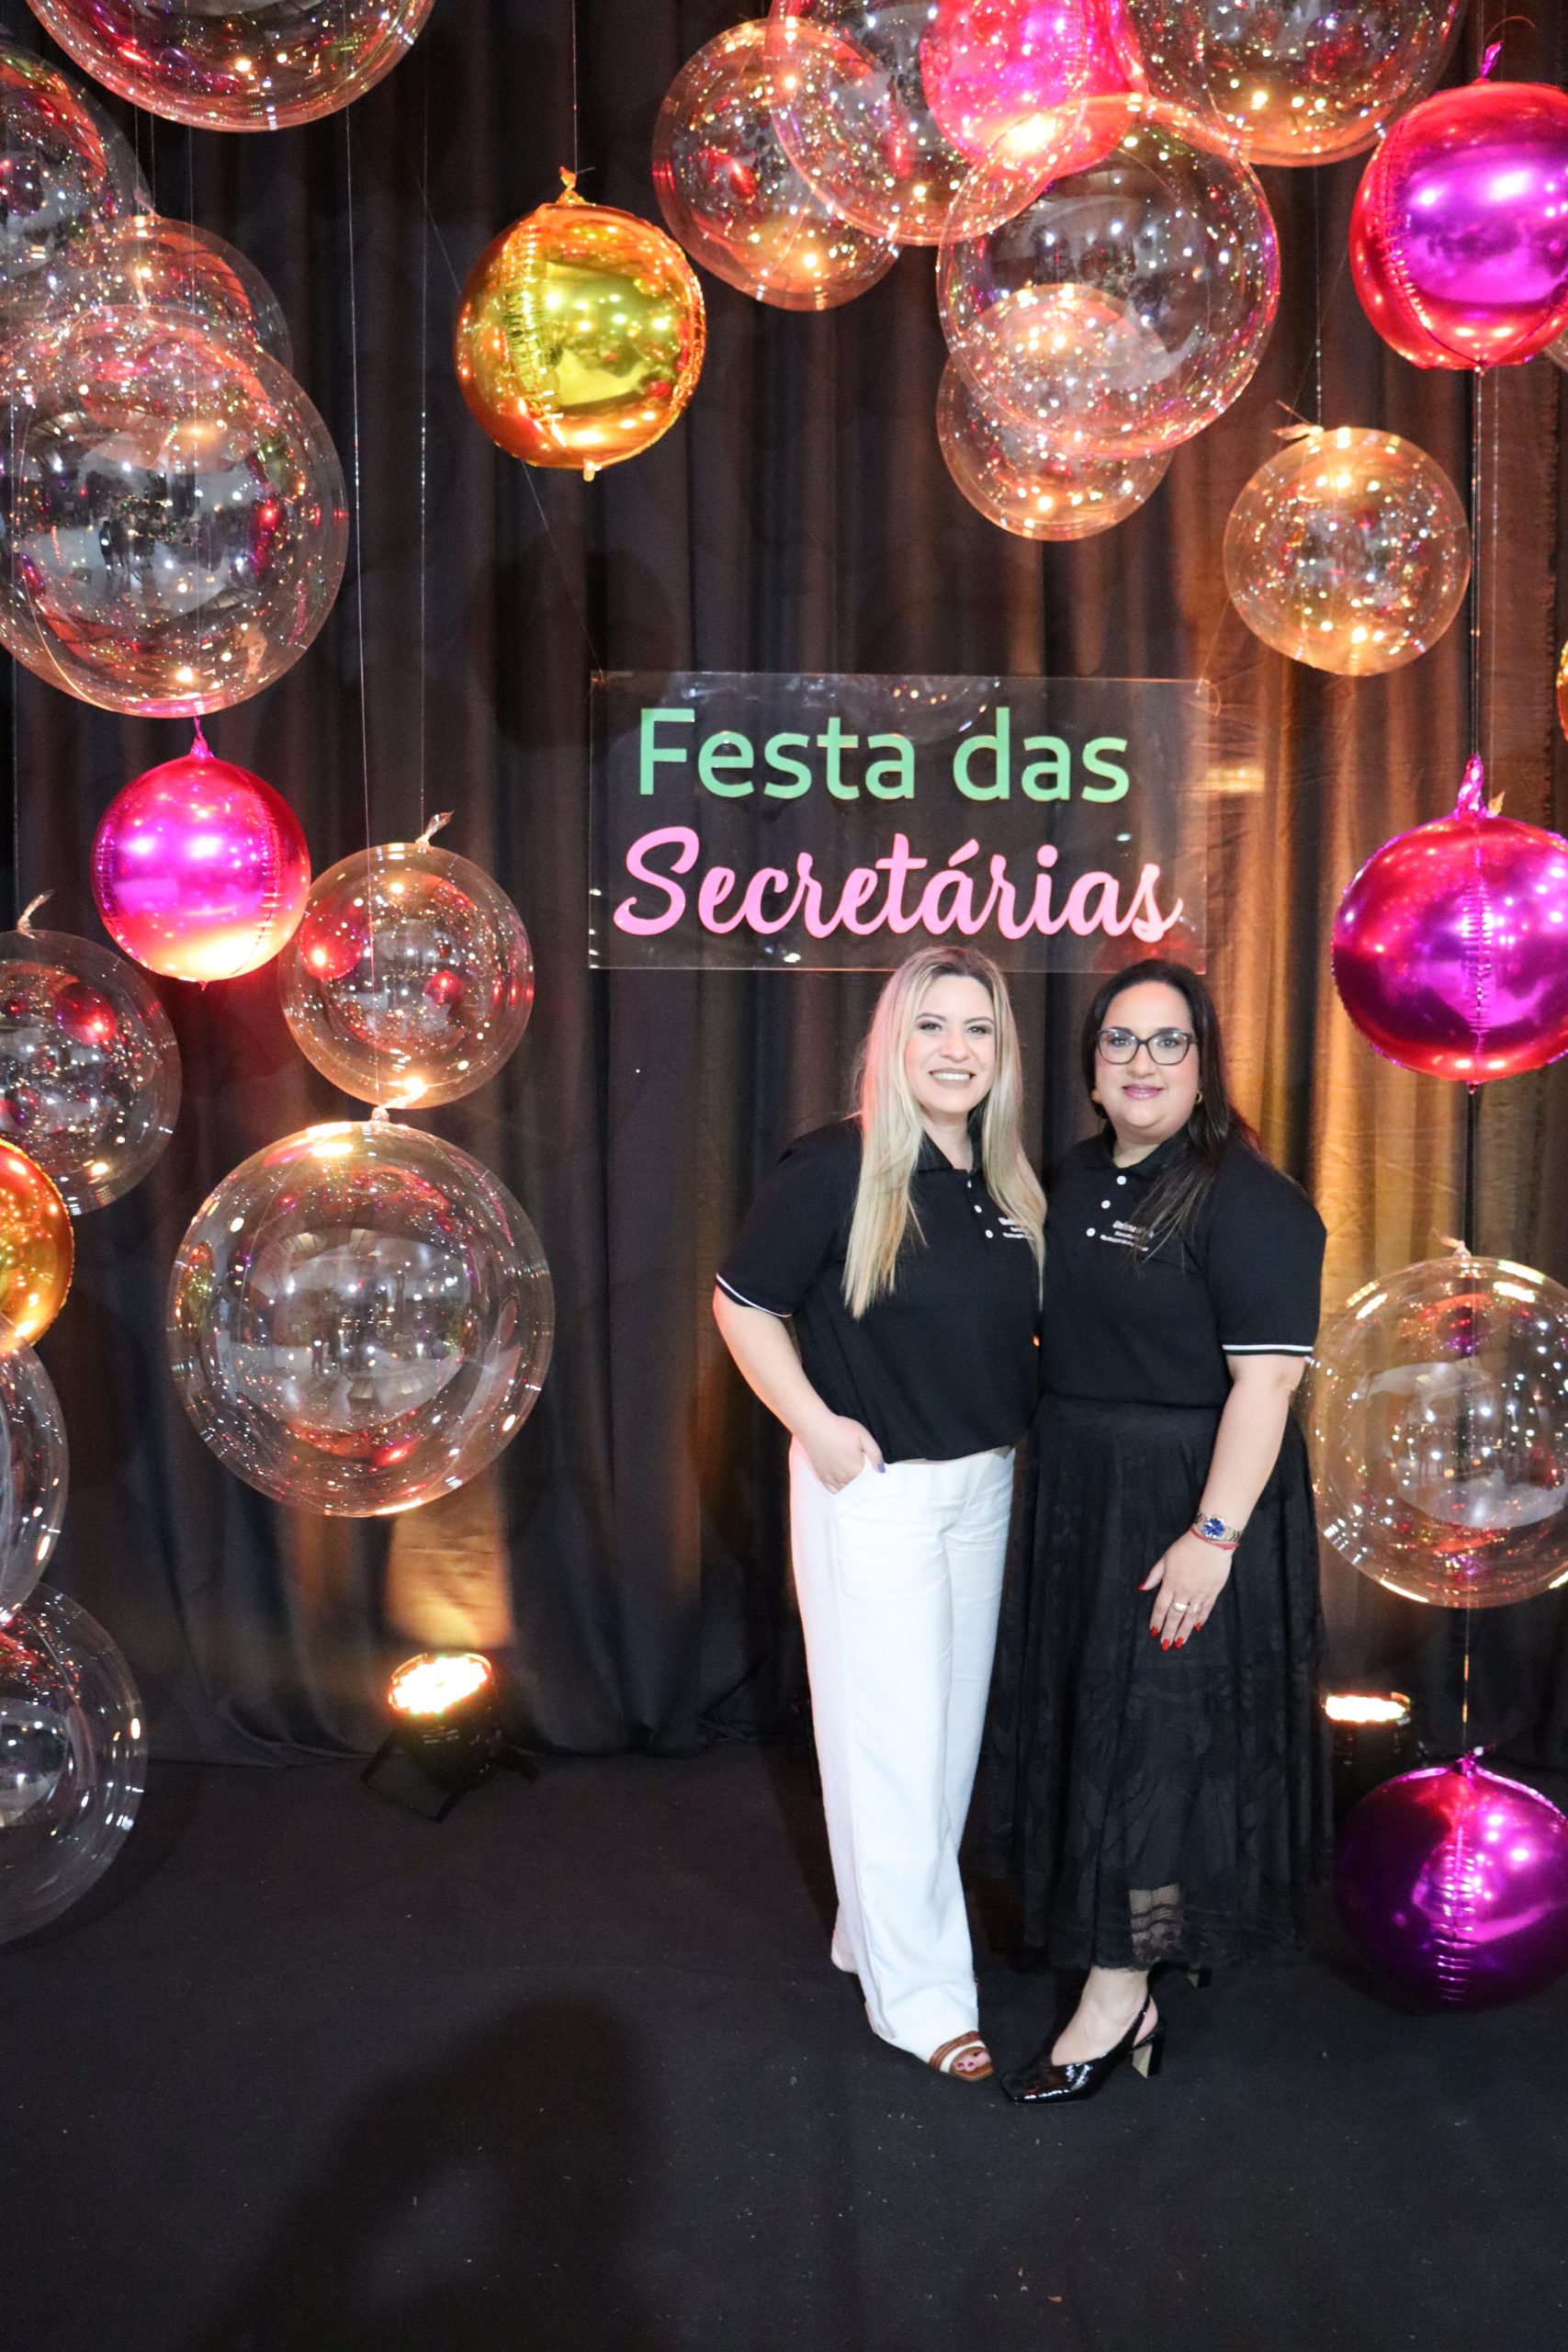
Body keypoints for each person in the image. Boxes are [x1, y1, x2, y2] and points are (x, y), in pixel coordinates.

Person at [983, 956, 1329, 2104]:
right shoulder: (1073, 1175)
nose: (1143, 1062)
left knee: (1154, 1742)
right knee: (1103, 1729)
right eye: (1120, 1041)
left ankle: (1119, 1991)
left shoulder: (1250, 1200)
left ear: (1203, 1061)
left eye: (1168, 1040)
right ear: (1091, 1067)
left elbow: (1267, 1386)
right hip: (1081, 1490)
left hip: (1188, 1498)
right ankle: (1129, 1957)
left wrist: (1213, 1537)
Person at [714, 946, 1045, 2083]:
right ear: (893, 1043)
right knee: (894, 1748)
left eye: (978, 1029)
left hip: (981, 1488)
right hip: (878, 1490)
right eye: (932, 1026)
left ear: (1002, 1054)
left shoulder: (1004, 1181)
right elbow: (742, 1303)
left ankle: (876, 1934)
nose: (957, 1049)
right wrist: (814, 1424)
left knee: (942, 1747)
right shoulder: (836, 1165)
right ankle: (922, 1999)